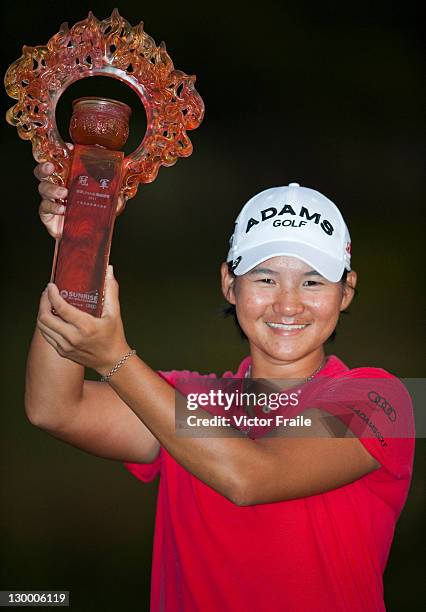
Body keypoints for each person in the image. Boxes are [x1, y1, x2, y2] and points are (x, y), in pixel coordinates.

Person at [27, 168, 415, 612]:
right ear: (230, 284)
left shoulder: (386, 402)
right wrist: (80, 242)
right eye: (265, 279)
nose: (288, 304)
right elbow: (54, 408)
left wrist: (114, 358)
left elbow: (249, 477)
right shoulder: (183, 400)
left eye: (313, 282)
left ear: (346, 292)